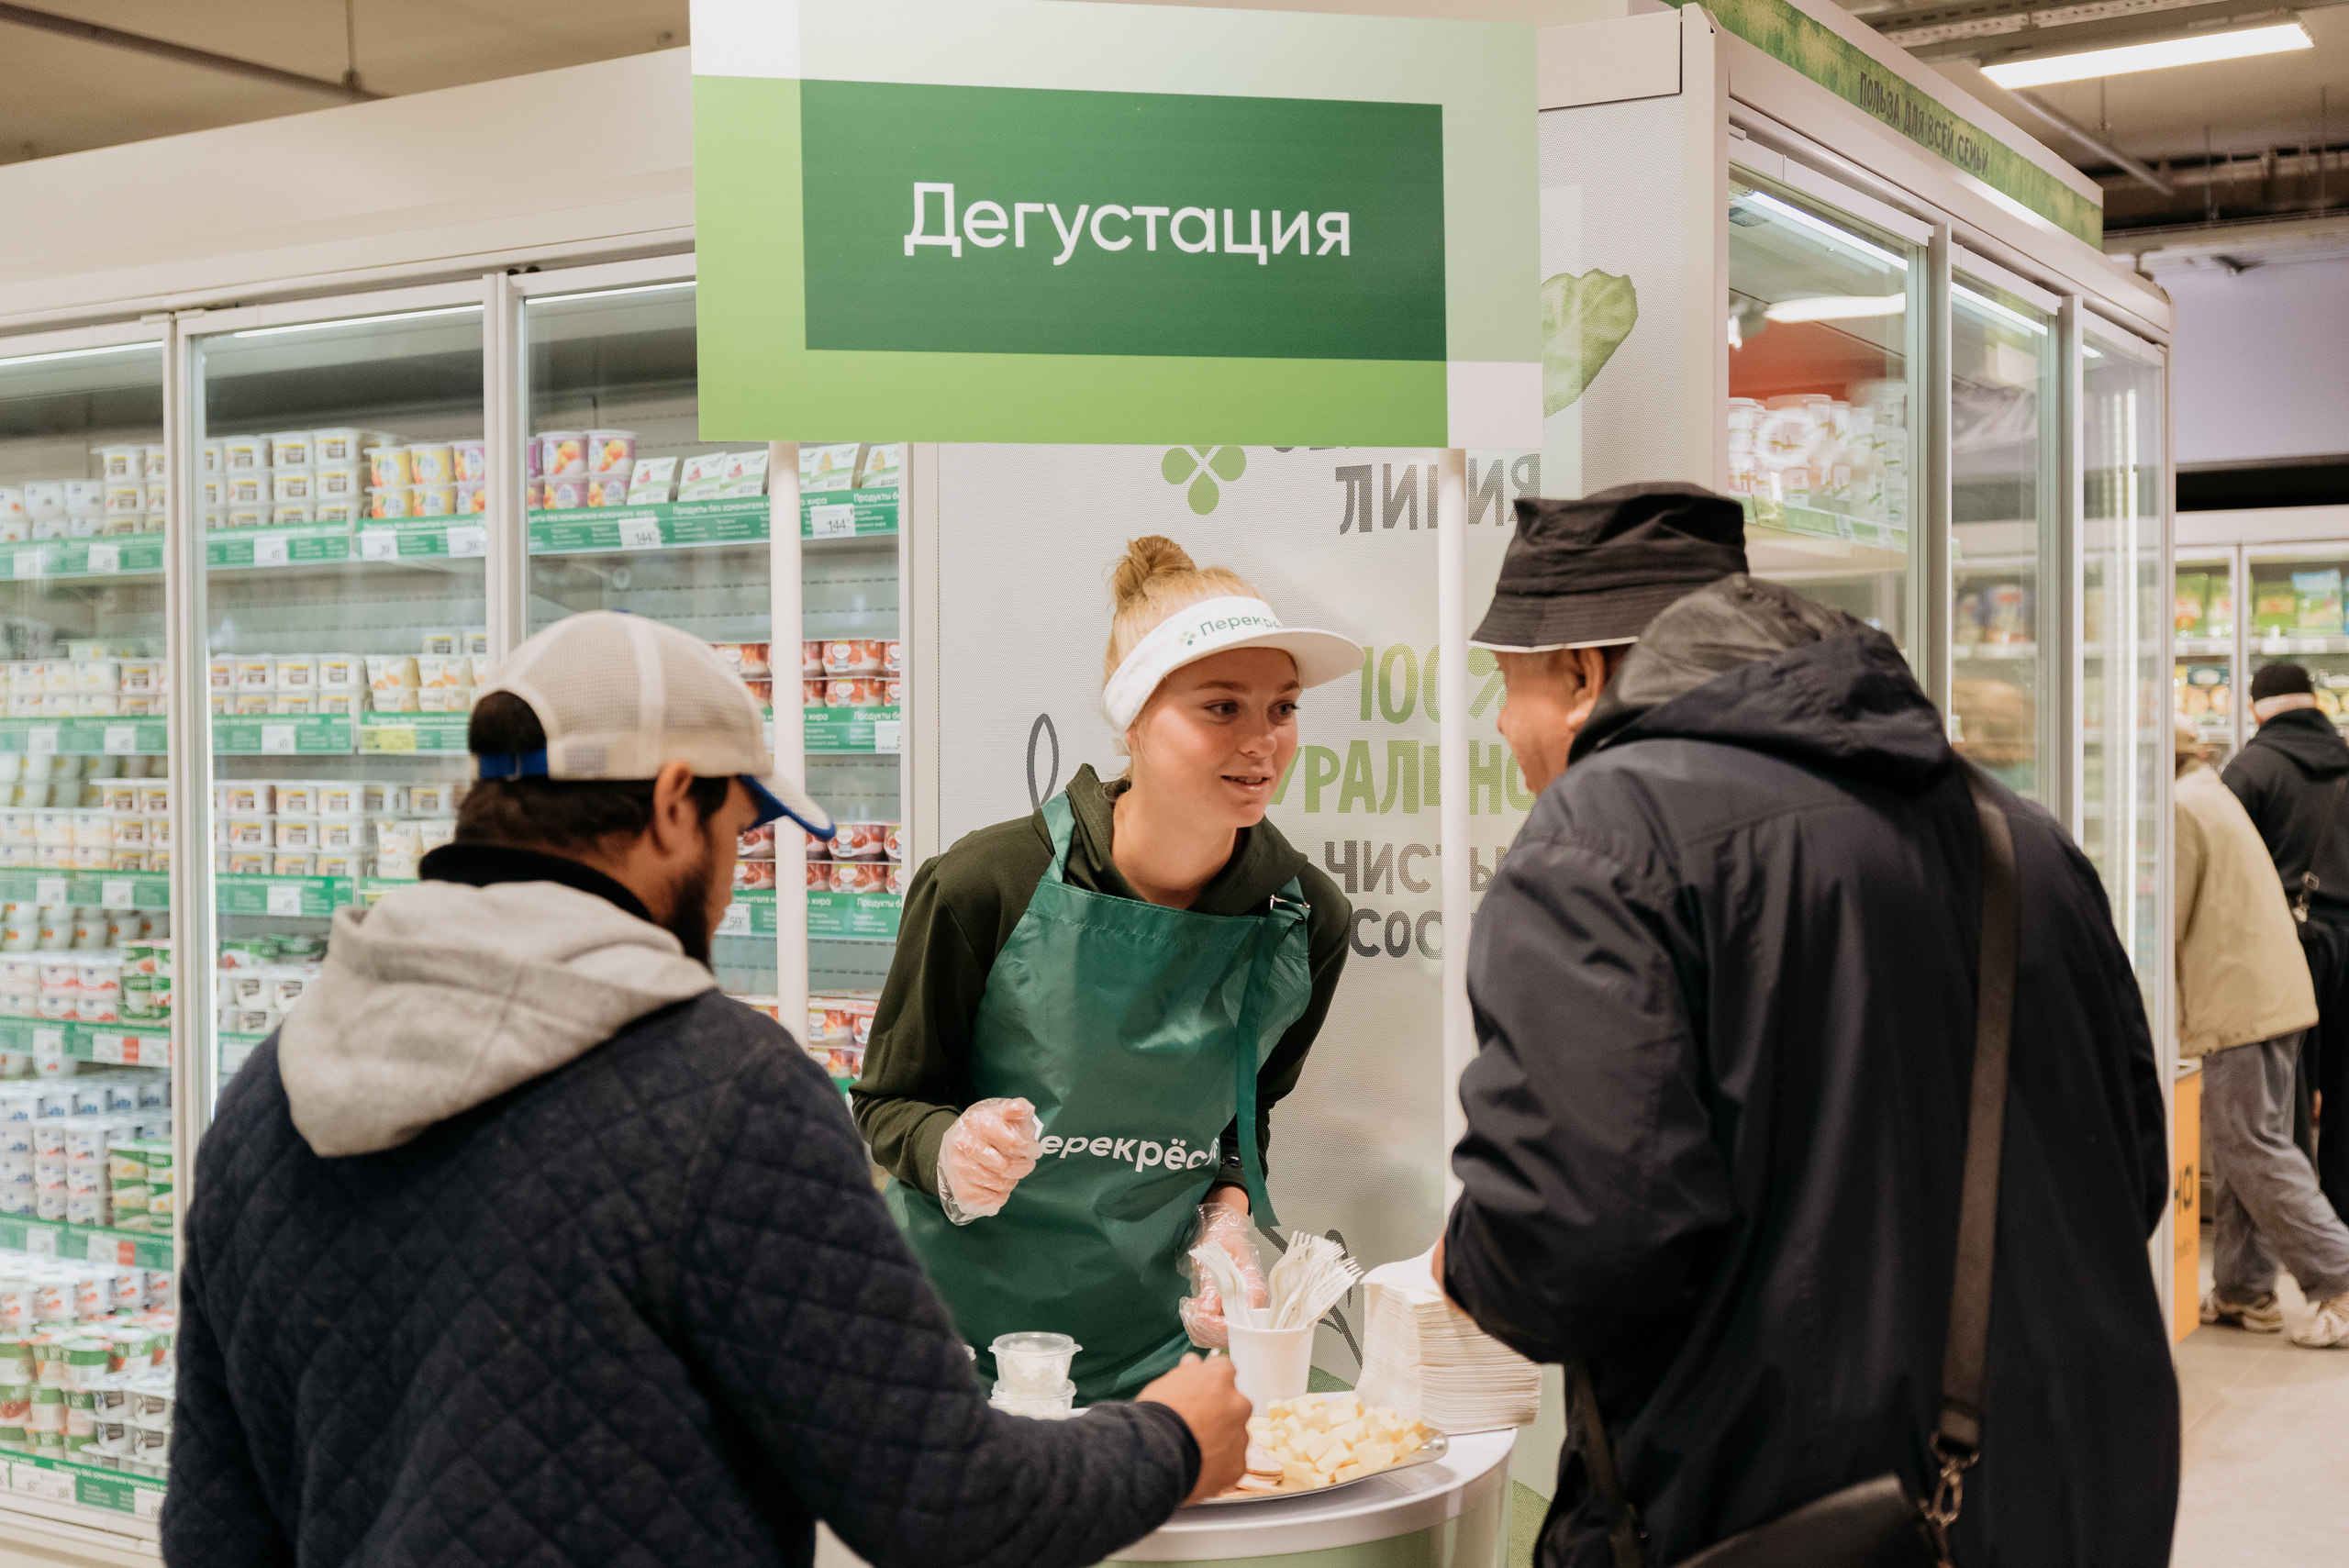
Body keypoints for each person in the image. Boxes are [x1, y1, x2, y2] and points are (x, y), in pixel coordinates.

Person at [165, 612, 1252, 1568]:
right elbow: (947, 1504)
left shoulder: (275, 1084)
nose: (732, 886)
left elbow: (213, 1528)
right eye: (739, 833)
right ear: (677, 800)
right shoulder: (720, 1090)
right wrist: (1168, 1439)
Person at [1435, 484, 2178, 1567]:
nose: (1504, 726)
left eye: (1505, 687)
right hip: (2073, 1492)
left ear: (1583, 674)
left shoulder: (1605, 830)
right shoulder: (2019, 836)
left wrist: (1464, 1258)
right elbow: (2129, 1177)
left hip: (1782, 1516)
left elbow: (1567, 1248)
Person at [854, 538, 1356, 1404]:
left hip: (1158, 1359)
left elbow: (1242, 1121)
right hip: (950, 1345)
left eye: (1282, 708)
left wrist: (1224, 1225)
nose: (1262, 742)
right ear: (1132, 719)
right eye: (1221, 708)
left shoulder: (1304, 918)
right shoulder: (987, 883)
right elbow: (888, 1103)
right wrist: (956, 1151)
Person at [2176, 717, 2349, 1344]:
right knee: (2243, 1142)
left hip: (2239, 1000)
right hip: (2269, 991)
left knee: (2251, 1143)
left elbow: (2163, 917)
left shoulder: (2181, 807)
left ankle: (2339, 1275)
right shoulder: (2210, 792)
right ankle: (2245, 1290)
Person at [2224, 661, 2349, 1220]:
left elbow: (2223, 870)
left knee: (2282, 1099)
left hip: (2282, 948)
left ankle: (2297, 1232)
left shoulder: (2251, 769)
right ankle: (2342, 1226)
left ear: (2257, 707)